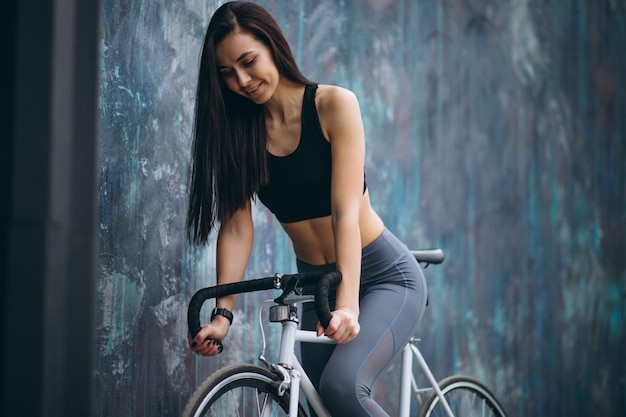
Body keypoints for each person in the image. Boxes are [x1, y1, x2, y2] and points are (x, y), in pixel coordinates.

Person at [186, 2, 428, 416]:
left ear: (272, 46)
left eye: (248, 62)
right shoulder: (238, 136)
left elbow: (344, 212)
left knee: (341, 389)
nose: (242, 80)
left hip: (383, 277)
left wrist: (349, 304)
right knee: (308, 402)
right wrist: (222, 315)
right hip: (318, 285)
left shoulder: (333, 106)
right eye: (227, 74)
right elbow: (237, 226)